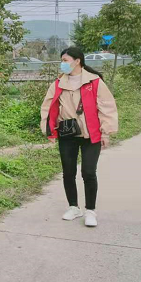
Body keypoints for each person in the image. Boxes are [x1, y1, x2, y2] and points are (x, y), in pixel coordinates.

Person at [40, 47, 118, 227]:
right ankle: (73, 207)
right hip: (68, 134)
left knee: (88, 172)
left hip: (91, 134)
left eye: (66, 60)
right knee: (68, 172)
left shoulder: (94, 81)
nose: (63, 64)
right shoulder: (58, 83)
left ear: (77, 61)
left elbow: (107, 107)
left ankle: (90, 211)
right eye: (62, 60)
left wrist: (106, 132)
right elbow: (48, 106)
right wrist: (50, 130)